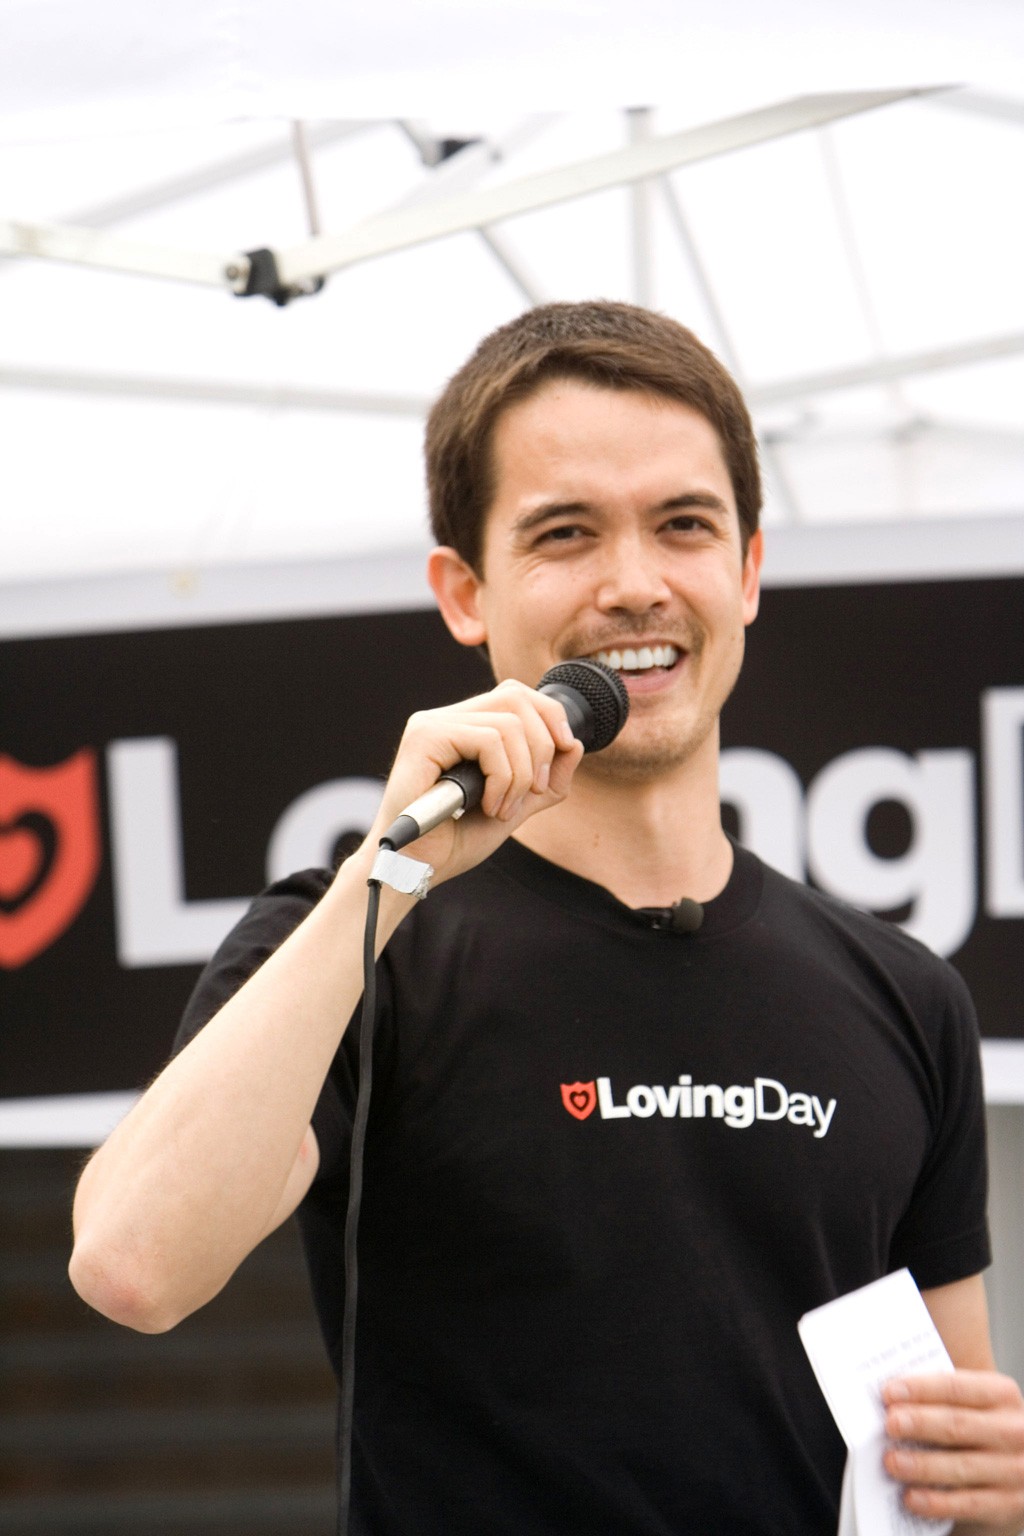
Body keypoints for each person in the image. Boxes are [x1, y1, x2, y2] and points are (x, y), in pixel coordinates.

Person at [70, 301, 1024, 1534]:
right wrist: (390, 870)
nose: (634, 585)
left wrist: (1000, 1487)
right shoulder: (359, 938)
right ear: (465, 592)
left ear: (745, 569)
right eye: (565, 534)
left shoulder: (903, 992)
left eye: (683, 525)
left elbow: (952, 1456)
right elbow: (134, 1268)